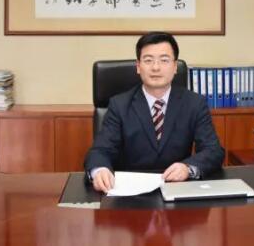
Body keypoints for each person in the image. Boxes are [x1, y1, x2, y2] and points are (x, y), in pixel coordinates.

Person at [85, 31, 225, 193]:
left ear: (175, 67)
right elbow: (100, 150)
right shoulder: (119, 105)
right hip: (130, 195)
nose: (156, 67)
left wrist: (188, 168)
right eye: (148, 60)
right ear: (138, 67)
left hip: (177, 190)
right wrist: (100, 170)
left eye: (164, 60)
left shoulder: (194, 103)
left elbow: (213, 151)